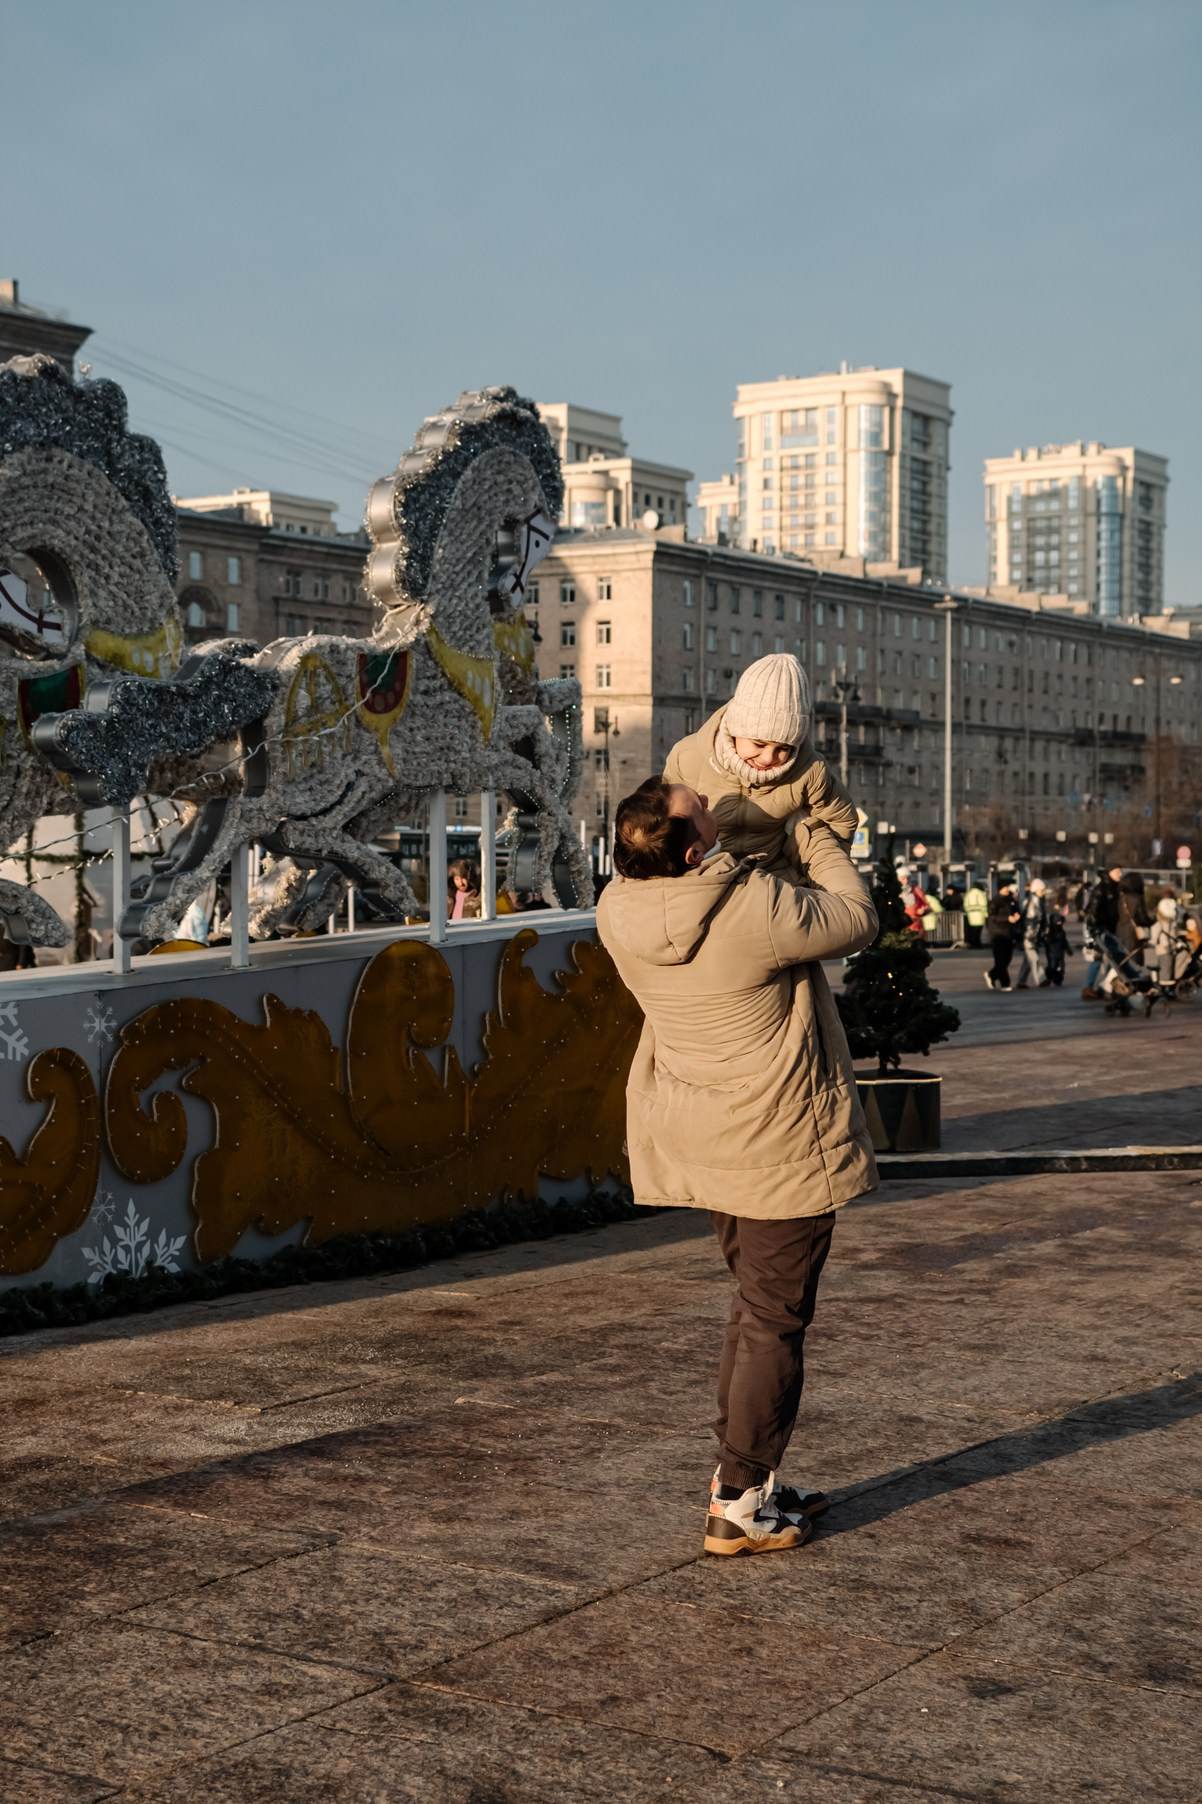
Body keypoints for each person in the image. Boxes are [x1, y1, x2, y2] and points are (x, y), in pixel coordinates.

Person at [597, 776, 877, 1558]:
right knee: (773, 1322)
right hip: (779, 1139)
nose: (716, 802)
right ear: (693, 849)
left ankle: (742, 1481)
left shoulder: (616, 910)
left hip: (704, 1135)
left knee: (754, 1310)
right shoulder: (754, 908)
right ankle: (742, 1500)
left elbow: (700, 855)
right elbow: (857, 916)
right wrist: (814, 830)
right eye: (702, 809)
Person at [664, 653, 858, 880]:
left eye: (782, 748)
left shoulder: (810, 770)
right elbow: (661, 824)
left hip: (776, 881)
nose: (768, 758)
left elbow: (840, 820)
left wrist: (819, 877)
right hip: (704, 878)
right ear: (736, 730)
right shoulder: (688, 756)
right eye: (759, 744)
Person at [1081, 866, 1124, 998]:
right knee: (1098, 957)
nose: (1120, 874)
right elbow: (1093, 909)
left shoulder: (1115, 887)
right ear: (1110, 873)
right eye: (1117, 872)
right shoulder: (1102, 889)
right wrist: (1094, 928)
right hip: (1100, 928)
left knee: (1113, 957)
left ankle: (1106, 985)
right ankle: (1089, 987)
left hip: (1111, 927)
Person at [984, 881, 1021, 991]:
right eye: (1005, 887)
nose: (1007, 889)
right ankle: (1005, 983)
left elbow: (1016, 910)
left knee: (1007, 958)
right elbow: (992, 917)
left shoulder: (1011, 900)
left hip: (1009, 933)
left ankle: (992, 974)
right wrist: (1006, 919)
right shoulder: (995, 901)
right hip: (998, 933)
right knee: (1000, 959)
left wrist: (1017, 916)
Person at [1014, 878, 1049, 988]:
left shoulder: (1038, 901)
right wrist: (1031, 935)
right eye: (1041, 890)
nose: (1043, 892)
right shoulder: (1032, 903)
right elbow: (1031, 921)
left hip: (1033, 935)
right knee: (1033, 957)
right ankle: (1041, 979)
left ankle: (1021, 981)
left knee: (1028, 959)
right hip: (1029, 935)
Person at [963, 879, 989, 950]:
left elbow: (965, 904)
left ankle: (972, 943)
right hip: (979, 914)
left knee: (972, 931)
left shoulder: (968, 893)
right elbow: (984, 904)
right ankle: (977, 944)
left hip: (970, 915)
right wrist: (986, 914)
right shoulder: (981, 893)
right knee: (978, 931)